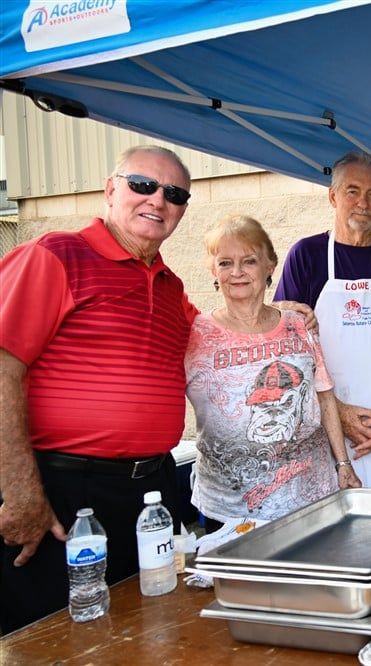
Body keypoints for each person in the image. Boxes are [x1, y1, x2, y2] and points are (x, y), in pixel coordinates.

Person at [0, 146, 196, 634]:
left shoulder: (171, 286)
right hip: (61, 489)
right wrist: (20, 490)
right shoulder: (55, 255)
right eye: (142, 185)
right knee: (49, 636)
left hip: (149, 493)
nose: (157, 200)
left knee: (137, 628)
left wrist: (287, 318)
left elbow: (227, 339)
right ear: (111, 190)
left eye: (173, 193)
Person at [185, 215, 362, 528]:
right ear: (214, 271)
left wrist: (343, 464)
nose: (237, 272)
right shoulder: (194, 334)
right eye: (225, 263)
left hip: (310, 500)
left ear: (270, 266)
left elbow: (324, 396)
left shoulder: (298, 324)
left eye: (249, 261)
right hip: (231, 511)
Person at [274, 152, 371, 490]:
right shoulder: (307, 256)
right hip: (330, 435)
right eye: (352, 191)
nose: (363, 202)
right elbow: (283, 348)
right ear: (333, 196)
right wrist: (338, 413)